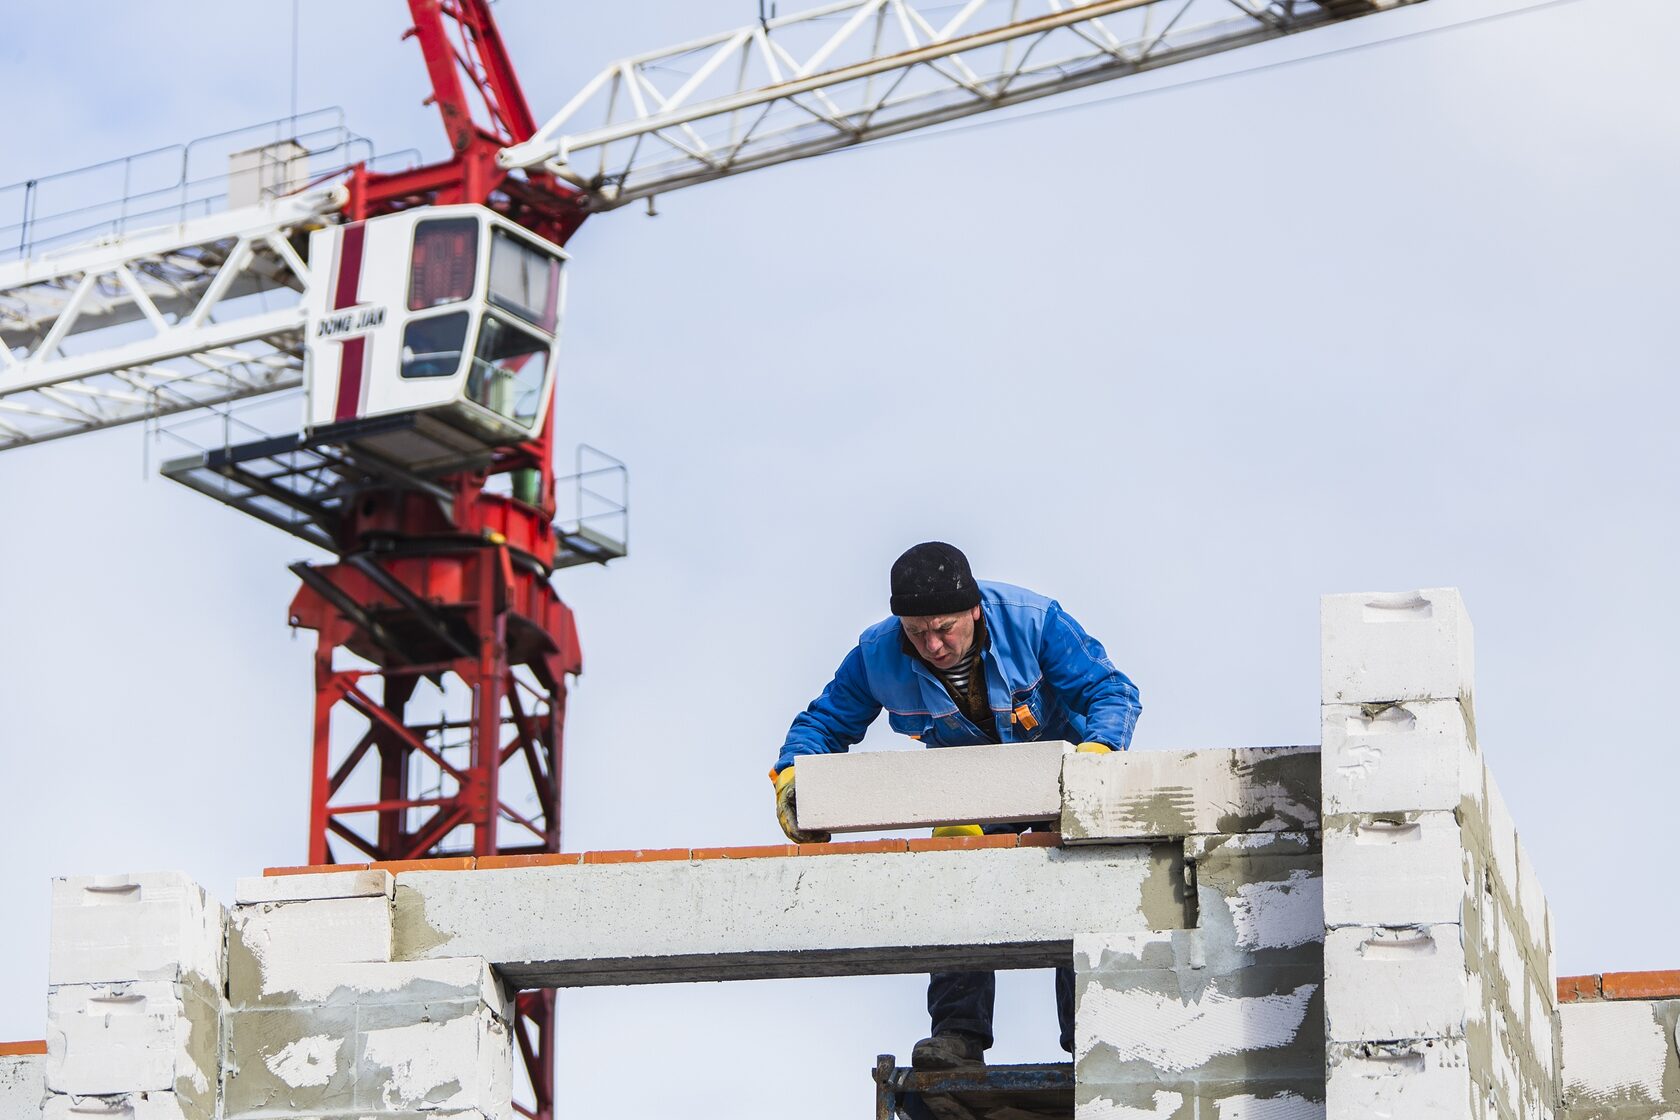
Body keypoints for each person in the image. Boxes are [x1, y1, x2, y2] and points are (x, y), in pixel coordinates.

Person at [769, 542, 1141, 1069]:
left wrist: (1097, 759)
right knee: (956, 872)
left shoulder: (1032, 622)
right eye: (918, 633)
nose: (934, 645)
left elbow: (1112, 691)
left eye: (944, 628)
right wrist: (792, 779)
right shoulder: (877, 654)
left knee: (1075, 885)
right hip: (970, 795)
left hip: (1059, 786)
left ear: (973, 610)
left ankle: (1087, 1036)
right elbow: (822, 724)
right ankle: (958, 1037)